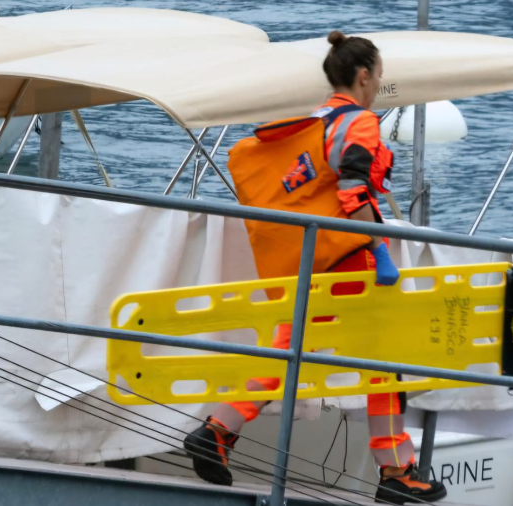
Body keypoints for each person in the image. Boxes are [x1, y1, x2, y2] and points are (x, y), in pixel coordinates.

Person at [183, 31, 446, 504]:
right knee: (382, 362)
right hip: (348, 261)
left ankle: (218, 429)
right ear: (363, 76)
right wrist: (379, 249)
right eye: (378, 76)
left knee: (288, 351)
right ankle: (396, 471)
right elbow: (353, 190)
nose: (378, 84)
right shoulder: (358, 122)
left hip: (313, 260)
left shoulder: (315, 122)